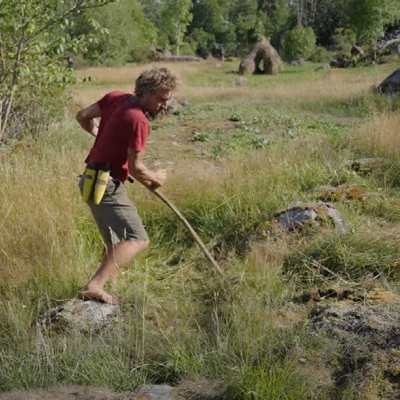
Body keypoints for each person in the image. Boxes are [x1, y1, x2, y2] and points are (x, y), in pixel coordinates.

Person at [76, 67, 179, 305]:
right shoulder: (138, 120)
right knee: (137, 239)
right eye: (161, 99)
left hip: (89, 180)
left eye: (168, 100)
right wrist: (156, 177)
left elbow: (83, 116)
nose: (165, 106)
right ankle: (94, 286)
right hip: (107, 186)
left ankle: (109, 287)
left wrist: (100, 134)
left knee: (113, 242)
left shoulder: (115, 98)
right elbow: (136, 169)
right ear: (145, 92)